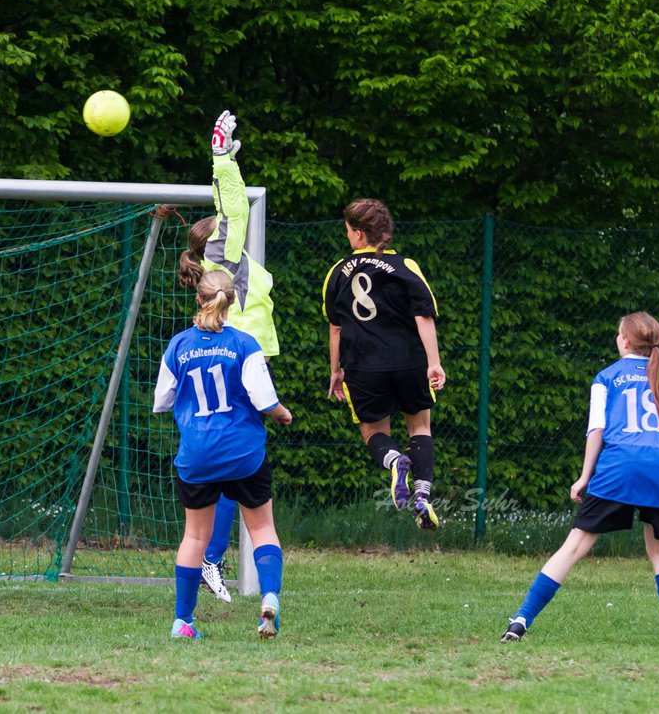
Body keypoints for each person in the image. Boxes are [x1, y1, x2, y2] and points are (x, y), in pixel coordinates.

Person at [501, 312, 659, 645]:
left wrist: (583, 477)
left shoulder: (607, 377)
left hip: (619, 466)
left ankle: (520, 620)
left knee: (575, 545)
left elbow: (597, 430)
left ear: (625, 341)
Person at [153, 269, 293, 640]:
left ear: (198, 299)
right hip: (243, 454)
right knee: (262, 527)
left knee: (195, 537)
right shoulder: (245, 344)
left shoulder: (179, 345)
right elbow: (266, 402)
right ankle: (269, 598)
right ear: (231, 303)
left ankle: (183, 622)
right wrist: (282, 414)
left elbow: (162, 401)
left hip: (197, 456)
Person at [177, 110, 280, 602]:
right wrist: (221, 157)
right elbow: (233, 204)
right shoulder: (222, 254)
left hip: (234, 357)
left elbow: (230, 206)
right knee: (236, 466)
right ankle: (212, 559)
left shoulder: (223, 264)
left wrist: (226, 161)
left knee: (225, 465)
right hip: (239, 359)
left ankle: (210, 559)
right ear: (214, 237)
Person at [322, 198, 446, 529]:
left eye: (348, 231)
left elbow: (336, 327)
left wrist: (336, 371)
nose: (347, 236)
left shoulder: (337, 272)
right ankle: (422, 496)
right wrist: (434, 363)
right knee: (420, 427)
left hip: (363, 366)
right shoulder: (407, 266)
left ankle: (394, 461)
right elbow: (423, 315)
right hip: (408, 362)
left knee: (374, 431)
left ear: (359, 234)